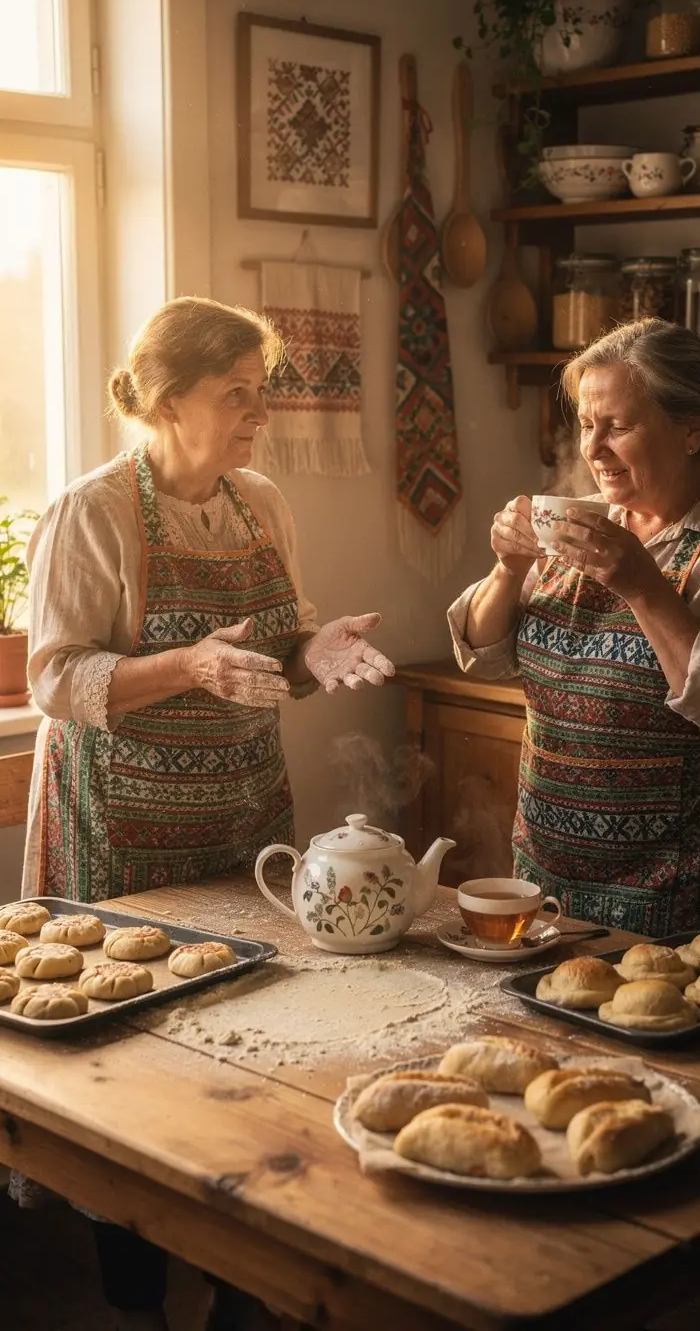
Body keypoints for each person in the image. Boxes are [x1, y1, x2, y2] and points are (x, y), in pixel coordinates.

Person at [16, 295, 396, 1331]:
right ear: (166, 400)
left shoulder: (260, 500)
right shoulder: (92, 512)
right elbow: (54, 681)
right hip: (121, 836)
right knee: (128, 1075)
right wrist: (187, 663)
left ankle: (245, 1291)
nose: (258, 413)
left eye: (260, 390)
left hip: (242, 828)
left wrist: (314, 655)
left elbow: (284, 643)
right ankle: (135, 1300)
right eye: (237, 393)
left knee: (242, 1055)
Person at [449, 318, 700, 943]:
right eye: (588, 425)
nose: (593, 448)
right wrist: (507, 570)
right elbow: (482, 656)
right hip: (549, 862)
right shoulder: (579, 521)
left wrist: (645, 586)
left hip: (685, 877)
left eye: (619, 426)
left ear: (691, 428)